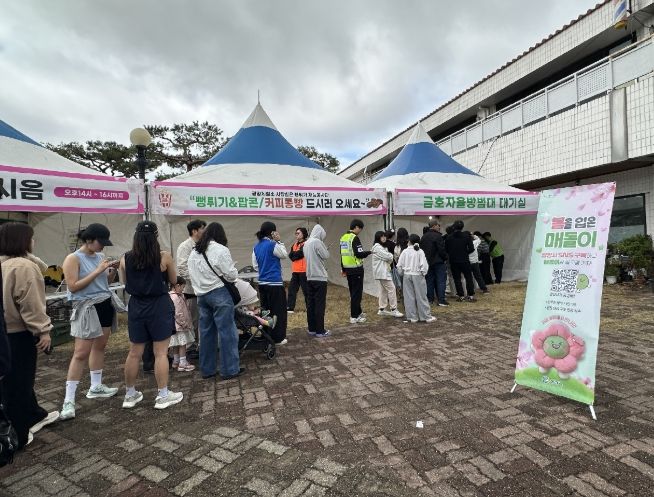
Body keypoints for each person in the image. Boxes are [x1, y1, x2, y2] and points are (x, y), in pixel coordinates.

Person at [0, 223, 58, 448]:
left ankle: (34, 414)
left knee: (11, 380)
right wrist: (43, 330)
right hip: (18, 333)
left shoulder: (6, 263)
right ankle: (18, 435)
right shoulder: (24, 267)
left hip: (4, 331)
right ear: (23, 241)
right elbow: (30, 304)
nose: (34, 242)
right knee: (20, 383)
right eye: (31, 239)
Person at [59, 223, 124, 421]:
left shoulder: (99, 257)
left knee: (100, 346)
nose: (102, 246)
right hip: (86, 307)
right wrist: (98, 270)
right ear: (89, 240)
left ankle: (96, 386)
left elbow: (104, 283)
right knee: (80, 353)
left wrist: (111, 271)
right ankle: (68, 400)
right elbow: (73, 287)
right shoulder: (73, 258)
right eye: (100, 242)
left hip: (104, 303)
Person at [119, 221, 182, 410]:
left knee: (134, 352)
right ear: (155, 236)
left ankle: (130, 394)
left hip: (136, 306)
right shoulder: (164, 257)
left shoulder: (125, 258)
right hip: (159, 305)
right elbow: (173, 280)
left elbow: (124, 282)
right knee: (160, 352)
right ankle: (162, 395)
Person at [188, 222, 243, 380]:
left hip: (202, 295)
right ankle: (230, 370)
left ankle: (207, 370)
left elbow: (191, 275)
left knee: (206, 334)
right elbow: (231, 275)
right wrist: (233, 269)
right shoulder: (221, 249)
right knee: (227, 332)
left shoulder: (194, 252)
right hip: (219, 293)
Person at [252, 222, 288, 345]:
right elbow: (284, 254)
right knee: (278, 311)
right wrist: (279, 241)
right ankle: (278, 338)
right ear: (272, 232)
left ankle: (266, 335)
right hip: (275, 283)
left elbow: (255, 266)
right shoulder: (273, 244)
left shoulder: (256, 247)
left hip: (262, 283)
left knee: (266, 311)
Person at [176, 219, 206, 355]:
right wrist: (197, 278)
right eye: (202, 228)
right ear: (194, 231)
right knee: (193, 319)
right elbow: (182, 268)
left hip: (203, 288)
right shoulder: (185, 246)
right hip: (191, 289)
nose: (204, 231)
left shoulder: (203, 245)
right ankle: (191, 347)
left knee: (202, 318)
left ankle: (201, 344)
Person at [396, 235, 435, 323]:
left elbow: (399, 265)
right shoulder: (419, 251)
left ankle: (412, 317)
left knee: (408, 297)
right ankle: (425, 316)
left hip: (407, 275)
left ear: (409, 241)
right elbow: (424, 265)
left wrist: (402, 273)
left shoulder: (405, 251)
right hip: (417, 275)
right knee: (421, 296)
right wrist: (423, 273)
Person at [340, 219, 371, 324]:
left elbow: (342, 254)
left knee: (353, 292)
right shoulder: (354, 238)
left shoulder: (343, 238)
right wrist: (370, 252)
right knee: (356, 294)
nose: (360, 231)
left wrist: (343, 269)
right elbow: (359, 254)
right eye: (360, 229)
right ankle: (354, 316)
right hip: (356, 269)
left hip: (348, 269)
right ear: (356, 227)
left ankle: (358, 312)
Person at [303, 224, 330, 338]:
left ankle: (312, 329)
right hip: (319, 277)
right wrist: (325, 248)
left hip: (309, 277)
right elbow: (326, 255)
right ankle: (320, 330)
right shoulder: (317, 242)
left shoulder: (306, 243)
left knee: (311, 304)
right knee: (319, 304)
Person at [371, 231, 402, 318]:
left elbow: (388, 257)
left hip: (383, 272)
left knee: (383, 290)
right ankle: (393, 309)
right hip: (382, 272)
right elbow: (389, 256)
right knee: (392, 289)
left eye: (384, 236)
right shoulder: (377, 247)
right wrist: (390, 256)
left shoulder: (381, 247)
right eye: (382, 237)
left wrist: (389, 257)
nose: (384, 238)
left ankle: (382, 309)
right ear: (378, 238)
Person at [169, 276, 196, 372]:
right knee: (182, 344)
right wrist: (184, 323)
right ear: (177, 286)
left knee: (176, 344)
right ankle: (183, 363)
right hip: (180, 326)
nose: (183, 290)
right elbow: (178, 313)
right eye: (183, 287)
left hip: (173, 326)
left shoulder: (170, 296)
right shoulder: (177, 298)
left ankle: (176, 361)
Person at [445, 221, 476, 302]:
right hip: (465, 260)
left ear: (454, 227)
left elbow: (446, 250)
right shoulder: (466, 236)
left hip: (454, 260)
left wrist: (453, 253)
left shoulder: (449, 237)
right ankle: (471, 296)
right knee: (468, 277)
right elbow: (472, 248)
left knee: (457, 279)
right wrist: (465, 253)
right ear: (462, 227)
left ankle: (461, 296)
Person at [420, 220, 449, 307]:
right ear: (434, 226)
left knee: (429, 281)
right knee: (441, 281)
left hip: (428, 262)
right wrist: (445, 258)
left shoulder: (424, 236)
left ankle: (430, 299)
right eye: (438, 225)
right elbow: (441, 250)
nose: (439, 227)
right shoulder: (438, 236)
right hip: (438, 262)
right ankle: (441, 300)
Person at [287, 227, 309, 314]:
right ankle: (290, 308)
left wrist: (295, 254)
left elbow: (300, 254)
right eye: (296, 233)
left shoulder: (306, 244)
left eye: (298, 233)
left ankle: (309, 307)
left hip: (304, 271)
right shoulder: (294, 244)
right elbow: (291, 256)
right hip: (295, 271)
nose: (296, 235)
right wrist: (295, 254)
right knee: (291, 289)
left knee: (306, 291)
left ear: (304, 234)